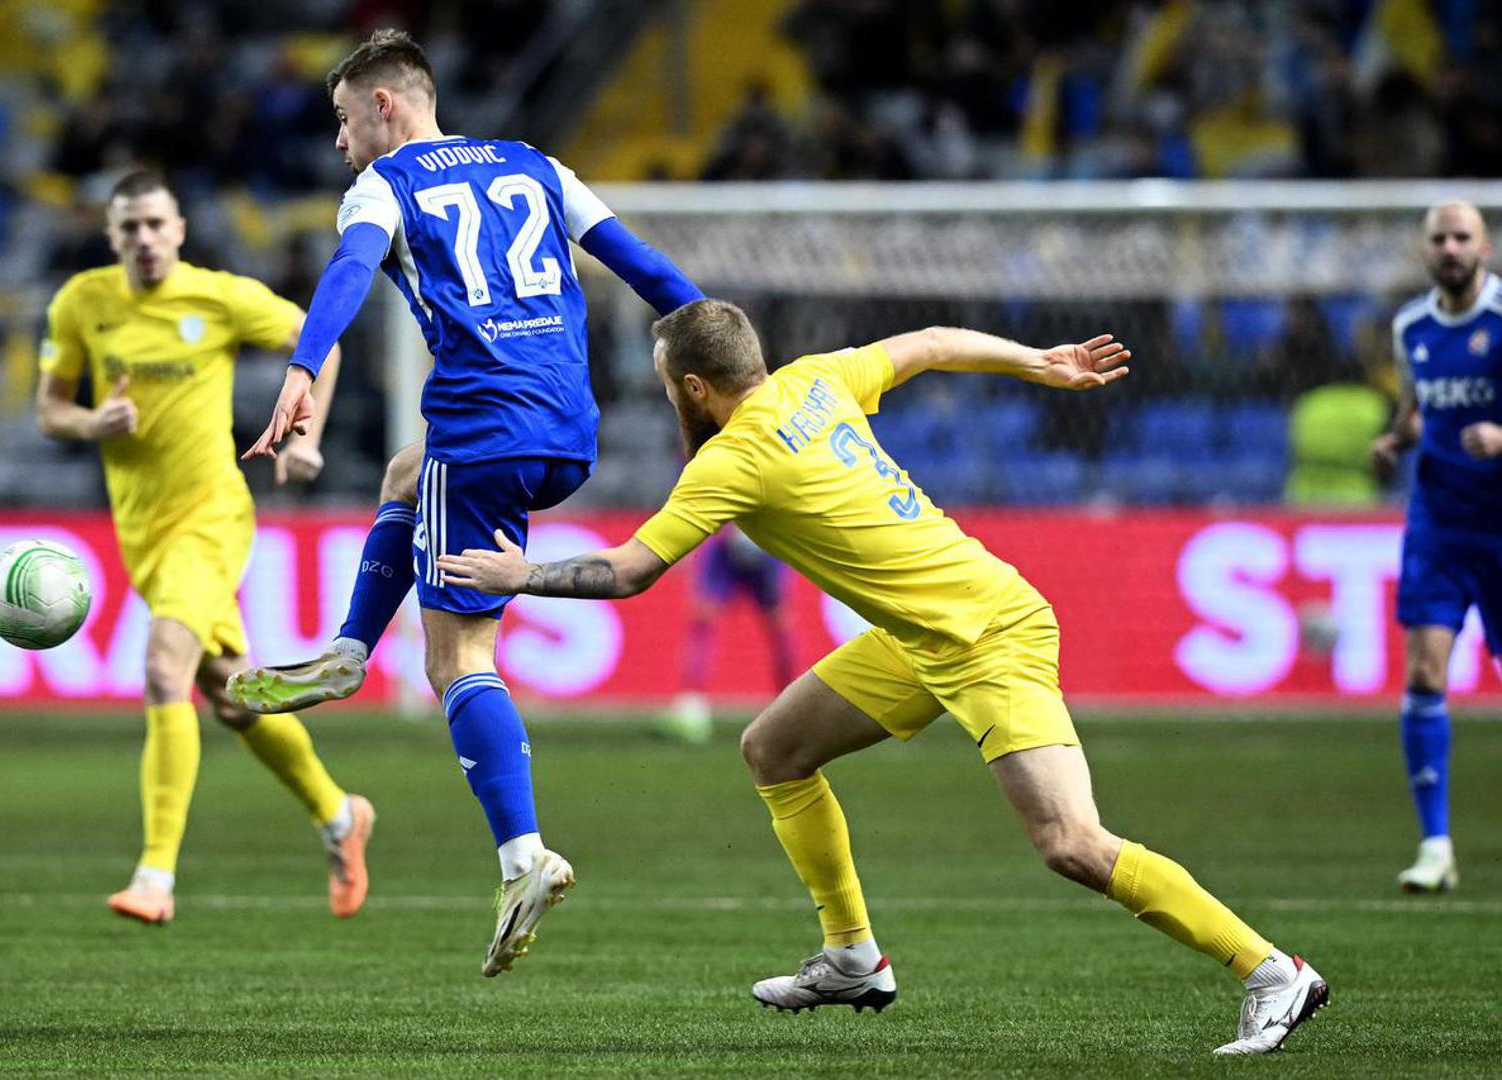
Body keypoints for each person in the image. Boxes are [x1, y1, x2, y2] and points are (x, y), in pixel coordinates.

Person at [438, 300, 1330, 1056]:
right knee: (775, 749)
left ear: (694, 388)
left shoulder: (732, 460)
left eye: (667, 382)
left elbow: (631, 571)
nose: (665, 394)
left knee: (1071, 843)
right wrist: (1036, 361)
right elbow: (932, 343)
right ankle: (851, 957)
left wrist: (522, 574)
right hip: (923, 635)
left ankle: (1271, 971)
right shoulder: (818, 378)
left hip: (985, 634)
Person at [226, 29, 703, 976]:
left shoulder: (384, 184)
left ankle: (523, 858)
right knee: (406, 474)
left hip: (483, 429)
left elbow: (350, 271)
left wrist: (304, 367)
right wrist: (732, 364)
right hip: (568, 429)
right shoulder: (536, 165)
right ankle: (348, 652)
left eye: (342, 120)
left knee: (455, 659)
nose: (339, 143)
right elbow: (644, 267)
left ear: (385, 105)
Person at [35, 171, 372, 926]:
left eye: (156, 224)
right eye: (129, 227)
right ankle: (339, 816)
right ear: (111, 235)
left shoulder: (217, 297)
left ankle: (154, 876)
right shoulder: (82, 302)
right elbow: (49, 411)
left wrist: (306, 437)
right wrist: (93, 423)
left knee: (164, 669)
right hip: (142, 531)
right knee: (229, 695)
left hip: (212, 515)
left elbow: (321, 344)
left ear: (179, 229)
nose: (144, 238)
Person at [1369, 200, 1502, 894]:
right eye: (1439, 238)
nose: (1450, 248)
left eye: (1462, 237)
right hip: (1438, 524)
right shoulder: (1410, 328)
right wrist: (1395, 440)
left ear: (1485, 248)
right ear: (1425, 251)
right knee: (1423, 672)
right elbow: (1417, 410)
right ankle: (1435, 846)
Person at [664, 526, 797, 743]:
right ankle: (692, 705)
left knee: (779, 624)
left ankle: (791, 705)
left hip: (769, 545)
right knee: (703, 618)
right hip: (726, 547)